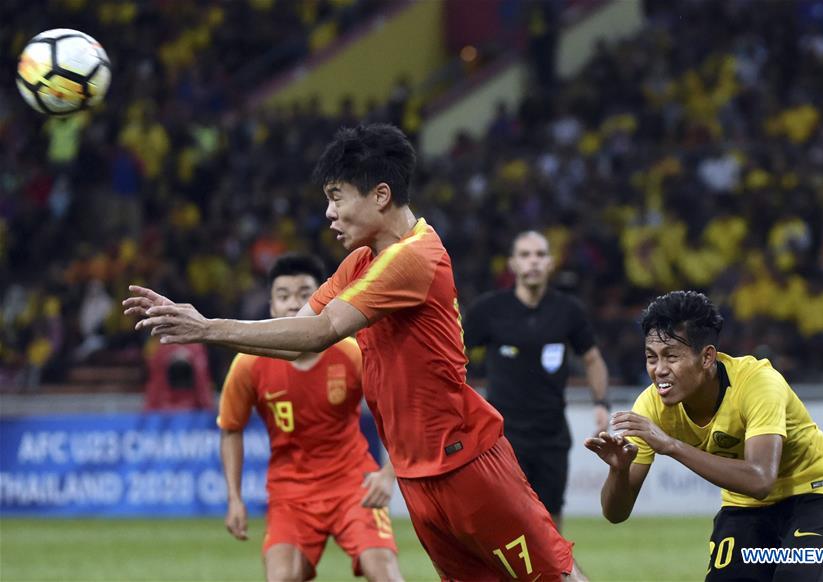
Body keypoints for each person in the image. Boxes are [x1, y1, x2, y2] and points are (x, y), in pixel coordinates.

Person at [124, 123, 586, 580]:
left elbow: (323, 331)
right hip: (416, 473)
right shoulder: (362, 262)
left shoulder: (413, 257)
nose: (328, 212)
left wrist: (206, 328)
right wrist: (205, 326)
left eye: (336, 195)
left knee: (554, 577)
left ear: (380, 195)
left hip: (466, 465)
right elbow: (298, 329)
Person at [585, 290, 823, 581]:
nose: (659, 370)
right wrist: (618, 471)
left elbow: (761, 479)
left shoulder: (759, 383)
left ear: (707, 357)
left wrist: (671, 446)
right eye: (651, 357)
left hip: (815, 494)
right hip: (745, 507)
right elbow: (615, 514)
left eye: (671, 356)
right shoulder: (651, 405)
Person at [217, 254, 402, 582]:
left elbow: (397, 413)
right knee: (282, 577)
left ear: (324, 300)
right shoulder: (248, 364)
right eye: (283, 296)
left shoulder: (352, 353)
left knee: (385, 574)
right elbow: (231, 429)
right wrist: (234, 498)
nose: (293, 305)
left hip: (352, 484)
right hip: (290, 493)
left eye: (305, 295)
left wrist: (388, 474)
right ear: (272, 307)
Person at [464, 230, 610, 529]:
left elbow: (593, 359)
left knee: (550, 518)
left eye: (540, 255)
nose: (533, 261)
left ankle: (552, 575)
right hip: (502, 436)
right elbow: (453, 354)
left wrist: (601, 403)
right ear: (513, 264)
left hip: (551, 434)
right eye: (526, 255)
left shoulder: (568, 311)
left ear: (551, 263)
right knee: (503, 518)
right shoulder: (489, 310)